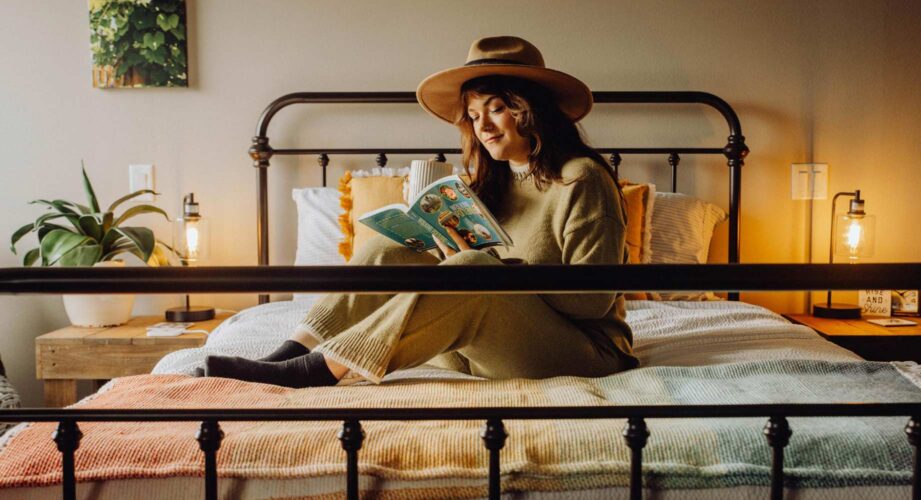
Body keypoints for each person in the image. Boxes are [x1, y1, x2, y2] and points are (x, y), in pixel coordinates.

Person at [204, 36, 638, 387]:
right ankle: (292, 352)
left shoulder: (581, 178)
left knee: (473, 269)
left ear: (533, 110)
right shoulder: (496, 181)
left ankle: (319, 371)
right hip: (483, 348)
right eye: (472, 115)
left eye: (497, 109)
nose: (483, 128)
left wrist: (494, 269)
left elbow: (591, 300)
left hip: (582, 353)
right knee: (386, 252)